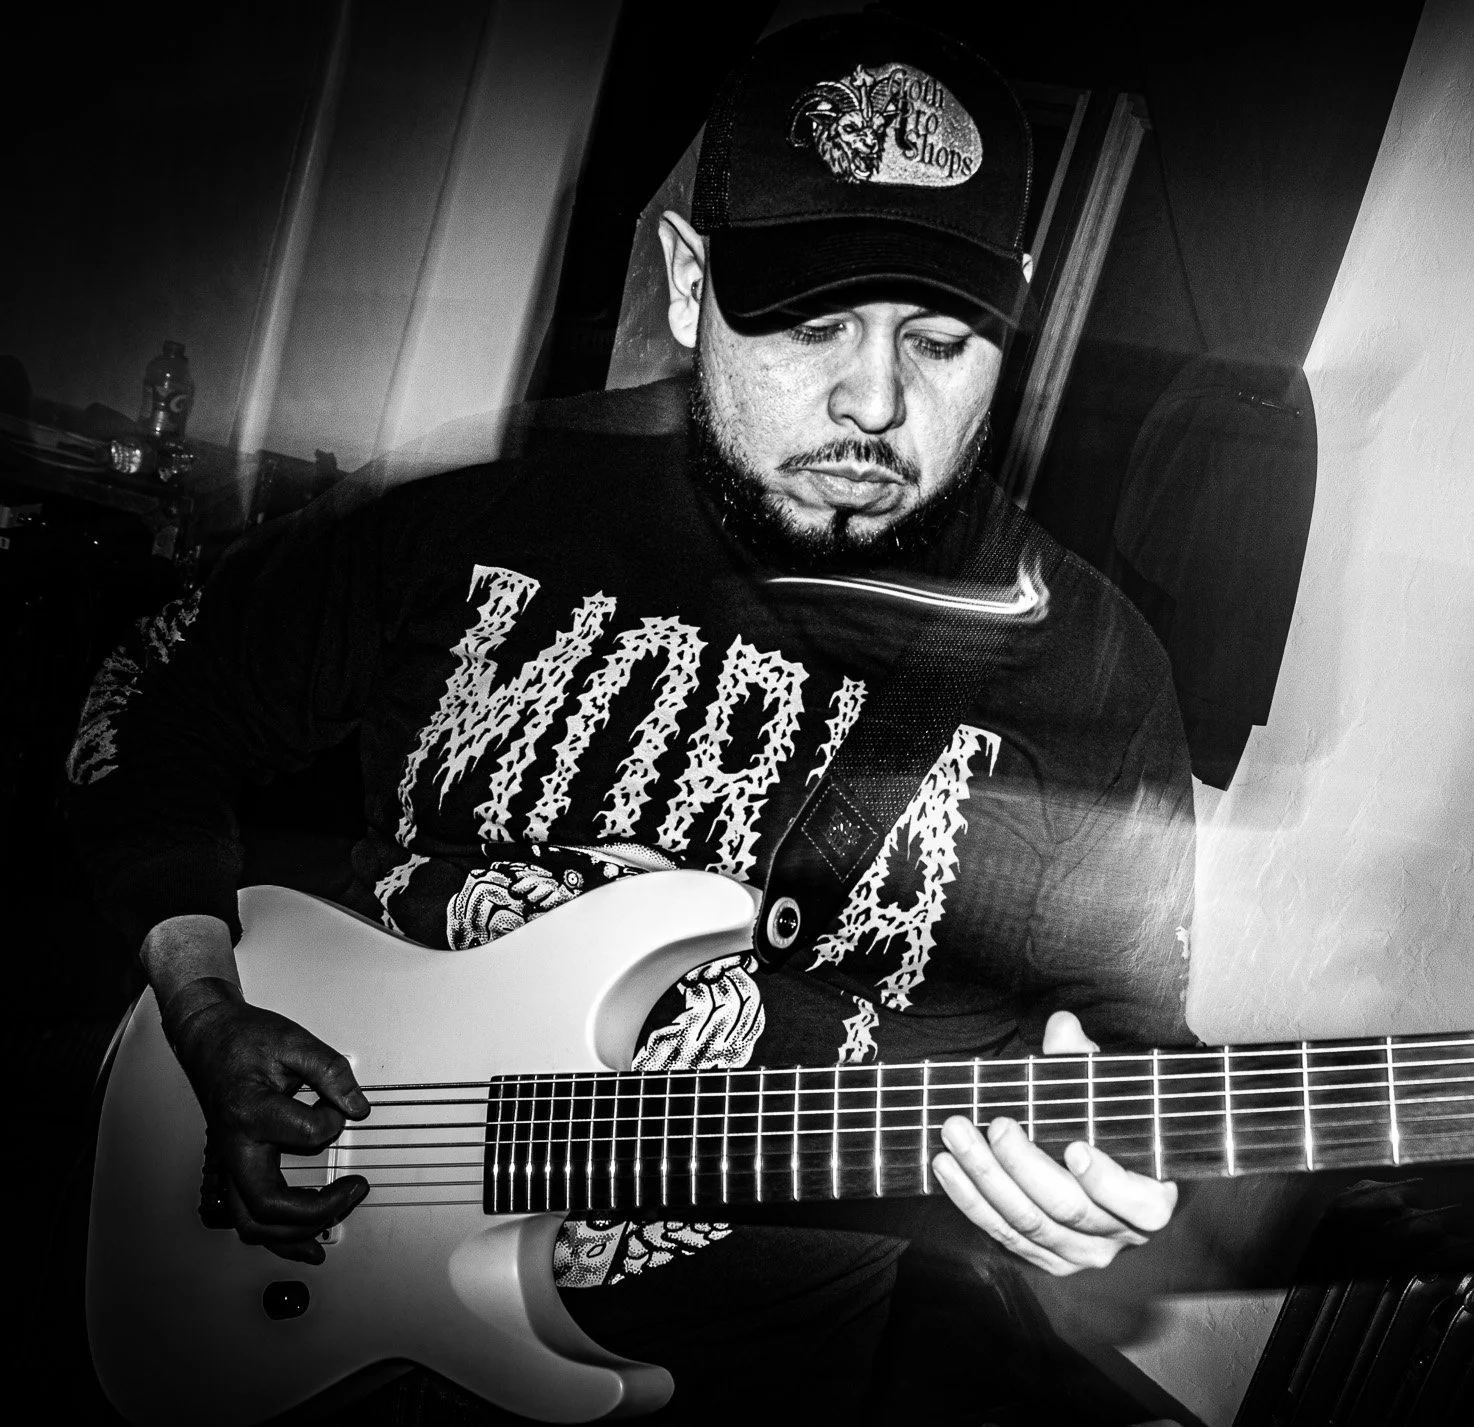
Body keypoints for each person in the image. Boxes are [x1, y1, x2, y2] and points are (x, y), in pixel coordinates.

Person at [66, 12, 1196, 1422]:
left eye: (944, 339)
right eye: (813, 324)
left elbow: (1132, 1043)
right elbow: (149, 713)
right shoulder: (484, 504)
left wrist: (1101, 1182)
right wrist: (204, 1005)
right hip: (322, 1286)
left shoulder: (1094, 669)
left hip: (749, 1380)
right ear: (687, 279)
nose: (875, 400)